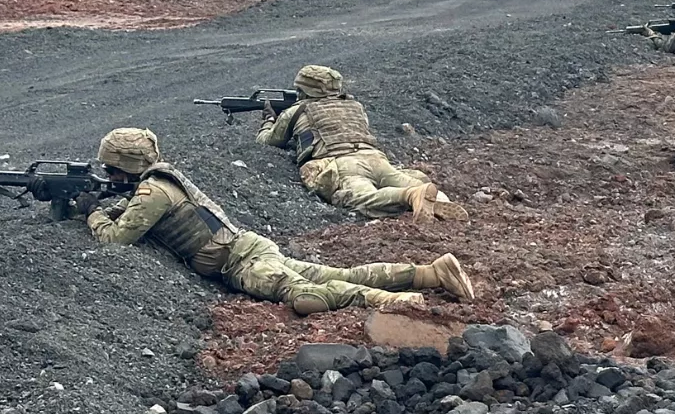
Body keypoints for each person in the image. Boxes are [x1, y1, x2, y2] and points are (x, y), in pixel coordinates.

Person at [85, 128, 475, 315]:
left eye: (111, 169)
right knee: (339, 273)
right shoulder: (161, 181)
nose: (109, 176)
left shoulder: (152, 192)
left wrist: (92, 213)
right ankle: (428, 274)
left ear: (125, 166)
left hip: (241, 263)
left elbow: (116, 239)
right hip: (249, 248)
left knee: (308, 297)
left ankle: (394, 300)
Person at [257, 65, 467, 222]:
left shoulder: (297, 110)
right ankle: (439, 200)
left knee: (362, 198)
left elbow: (268, 141)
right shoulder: (355, 106)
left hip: (342, 164)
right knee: (404, 179)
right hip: (375, 158)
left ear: (304, 91)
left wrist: (268, 120)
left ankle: (411, 196)